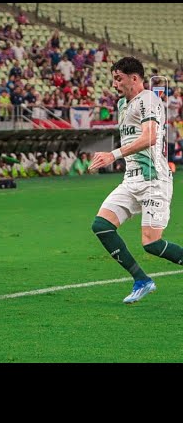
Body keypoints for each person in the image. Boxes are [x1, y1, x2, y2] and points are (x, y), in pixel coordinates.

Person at [89, 56, 183, 304]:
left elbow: (151, 137)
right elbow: (133, 139)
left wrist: (114, 154)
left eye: (118, 78)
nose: (114, 83)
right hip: (131, 180)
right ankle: (142, 280)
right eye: (113, 78)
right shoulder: (122, 104)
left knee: (151, 244)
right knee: (101, 225)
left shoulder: (149, 99)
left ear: (134, 77)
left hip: (154, 180)